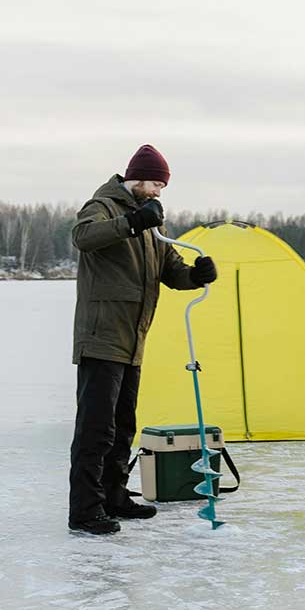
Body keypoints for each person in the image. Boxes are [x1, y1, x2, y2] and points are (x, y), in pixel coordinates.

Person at [68, 144, 218, 535]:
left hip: (133, 340)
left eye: (161, 187)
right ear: (135, 177)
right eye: (154, 183)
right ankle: (85, 510)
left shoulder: (152, 222)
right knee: (95, 430)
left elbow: (172, 270)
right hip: (101, 337)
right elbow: (83, 237)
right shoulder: (102, 205)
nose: (157, 192)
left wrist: (196, 276)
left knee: (122, 426)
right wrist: (134, 222)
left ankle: (114, 496)